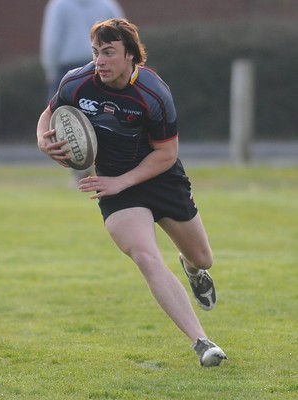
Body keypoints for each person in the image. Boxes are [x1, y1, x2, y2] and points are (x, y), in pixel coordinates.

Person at [36, 18, 228, 367]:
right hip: (113, 185)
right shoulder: (78, 82)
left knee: (203, 258)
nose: (100, 61)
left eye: (109, 53)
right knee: (145, 255)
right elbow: (49, 113)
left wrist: (123, 181)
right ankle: (202, 342)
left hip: (161, 178)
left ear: (131, 57)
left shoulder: (153, 93)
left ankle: (193, 269)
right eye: (96, 52)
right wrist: (43, 141)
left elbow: (166, 154)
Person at [40, 0, 125, 182]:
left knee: (65, 120)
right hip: (104, 64)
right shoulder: (107, 5)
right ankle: (95, 168)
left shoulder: (58, 6)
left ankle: (80, 169)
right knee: (103, 117)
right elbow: (123, 36)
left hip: (70, 68)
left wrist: (51, 69)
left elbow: (52, 40)